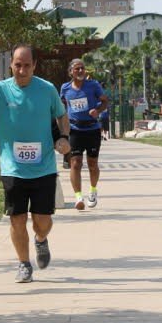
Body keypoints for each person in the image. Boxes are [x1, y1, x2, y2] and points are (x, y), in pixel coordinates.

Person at [0, 45, 69, 284]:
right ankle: (24, 264)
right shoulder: (0, 90)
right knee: (17, 218)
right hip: (12, 167)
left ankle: (41, 240)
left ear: (35, 65)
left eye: (27, 65)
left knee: (42, 222)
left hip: (44, 167)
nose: (22, 70)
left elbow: (61, 114)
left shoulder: (47, 89)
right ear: (11, 64)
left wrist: (63, 137)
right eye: (18, 65)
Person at [59, 58, 109, 211]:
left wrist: (98, 110)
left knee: (92, 164)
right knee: (75, 163)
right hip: (75, 130)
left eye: (82, 68)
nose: (80, 71)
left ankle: (93, 191)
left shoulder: (93, 85)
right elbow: (61, 105)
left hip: (92, 129)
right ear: (71, 72)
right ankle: (78, 197)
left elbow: (105, 101)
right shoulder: (65, 88)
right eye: (77, 68)